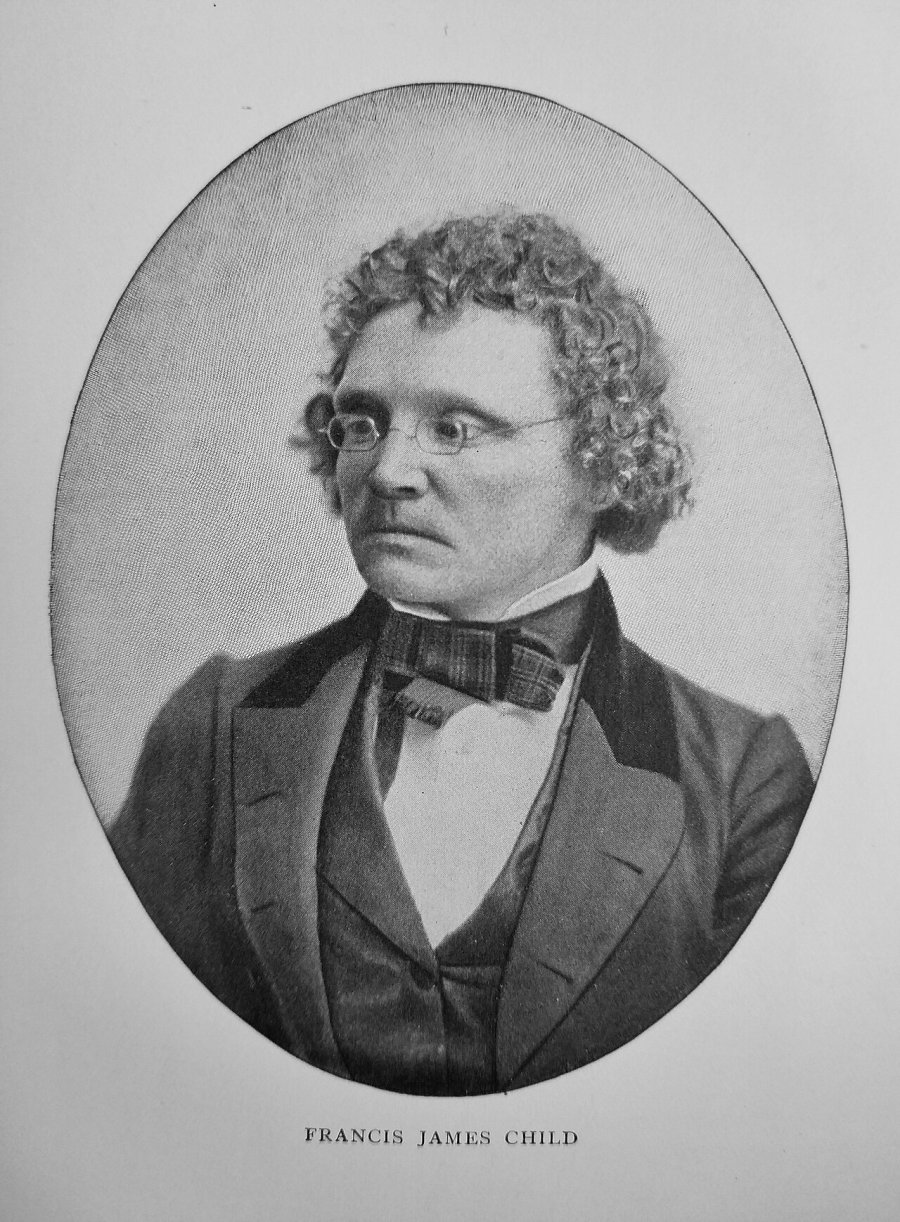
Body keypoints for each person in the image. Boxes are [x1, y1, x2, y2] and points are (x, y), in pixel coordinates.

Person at [110, 212, 814, 1094]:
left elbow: (751, 1099)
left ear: (603, 460)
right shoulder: (215, 727)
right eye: (363, 422)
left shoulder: (744, 783)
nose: (388, 472)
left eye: (455, 428)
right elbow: (137, 1049)